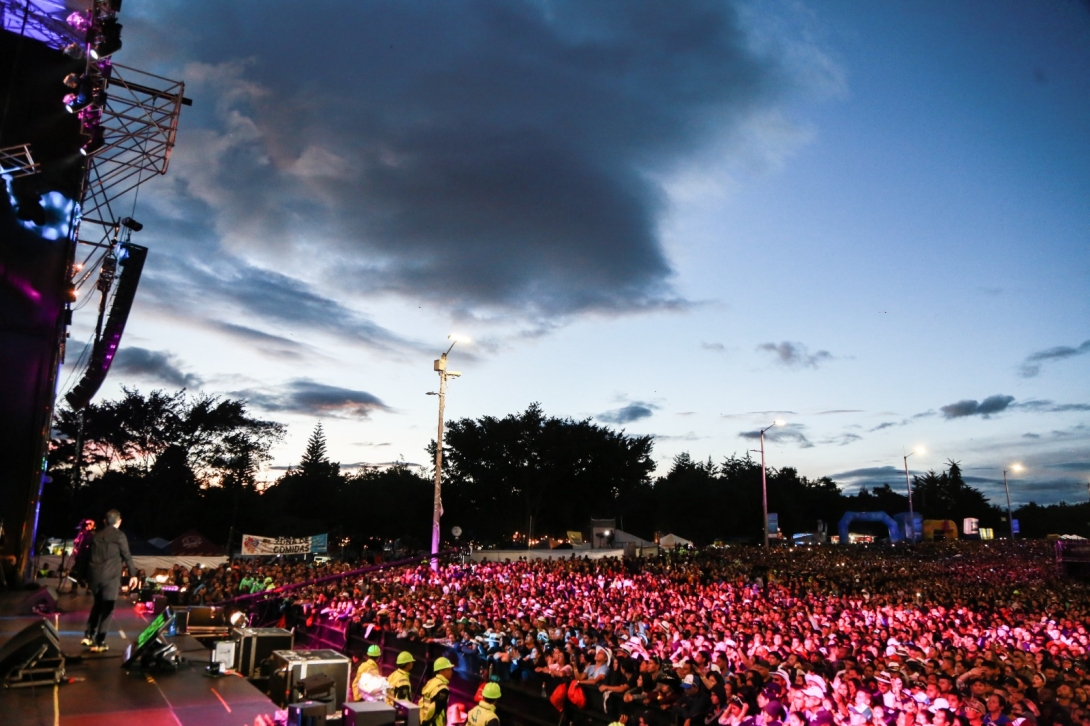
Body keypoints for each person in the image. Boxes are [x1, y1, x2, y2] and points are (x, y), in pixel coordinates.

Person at [82, 509, 137, 652]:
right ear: (119, 522)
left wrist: (84, 576)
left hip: (94, 577)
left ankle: (88, 635)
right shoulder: (119, 536)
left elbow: (85, 557)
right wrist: (134, 575)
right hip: (110, 578)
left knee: (98, 605)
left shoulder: (95, 536)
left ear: (104, 521)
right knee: (107, 608)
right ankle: (100, 642)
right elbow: (127, 555)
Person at [420, 657, 454, 726]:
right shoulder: (443, 689)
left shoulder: (431, 682)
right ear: (441, 671)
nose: (451, 672)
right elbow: (434, 709)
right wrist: (425, 723)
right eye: (448, 669)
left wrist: (422, 720)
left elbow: (421, 702)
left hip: (424, 719)